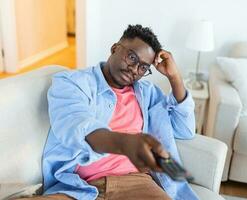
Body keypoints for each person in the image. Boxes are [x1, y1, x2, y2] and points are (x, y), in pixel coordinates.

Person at [32, 24, 199, 200]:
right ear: (114, 48)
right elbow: (75, 123)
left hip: (136, 184)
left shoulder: (148, 94)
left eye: (143, 67)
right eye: (132, 57)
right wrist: (124, 144)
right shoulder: (73, 82)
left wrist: (175, 77)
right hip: (76, 188)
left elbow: (185, 130)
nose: (135, 69)